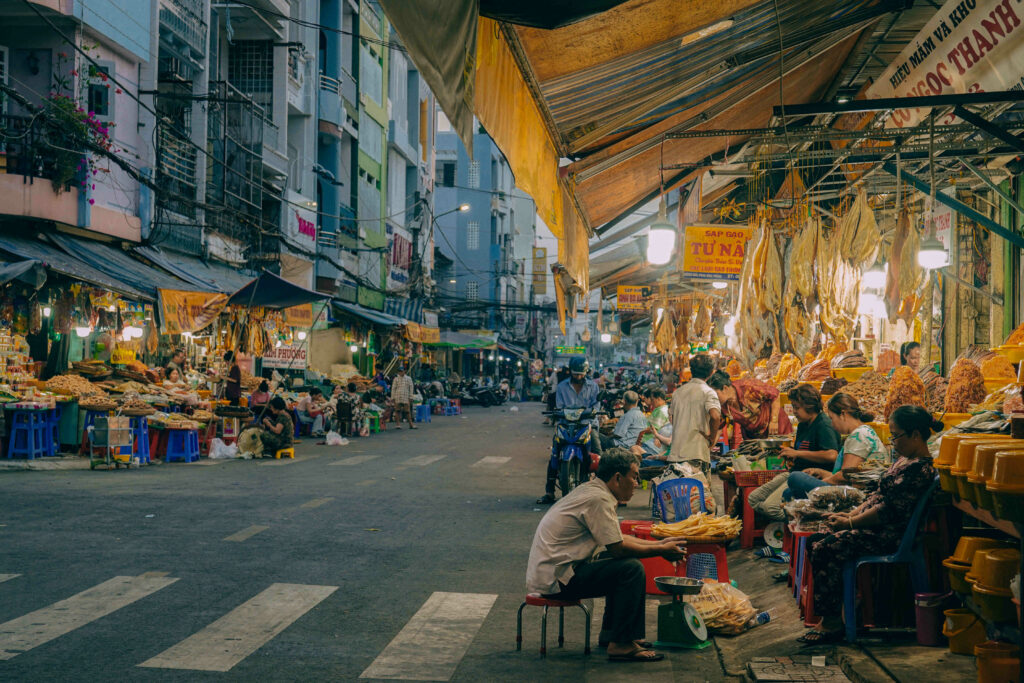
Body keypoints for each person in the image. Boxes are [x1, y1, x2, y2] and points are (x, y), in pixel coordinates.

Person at [526, 448, 687, 662]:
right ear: (617, 478)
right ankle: (620, 643)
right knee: (630, 569)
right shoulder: (598, 499)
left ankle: (613, 634)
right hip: (557, 580)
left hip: (559, 572)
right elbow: (618, 548)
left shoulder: (595, 491)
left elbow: (616, 538)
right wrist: (660, 550)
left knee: (623, 564)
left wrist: (660, 544)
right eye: (634, 477)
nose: (637, 483)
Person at [799, 405, 938, 644]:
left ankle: (832, 622)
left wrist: (850, 522)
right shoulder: (904, 461)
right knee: (816, 539)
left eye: (896, 436)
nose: (893, 442)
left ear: (916, 435)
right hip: (875, 526)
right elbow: (877, 497)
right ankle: (842, 608)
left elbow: (887, 512)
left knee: (826, 547)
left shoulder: (920, 470)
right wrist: (850, 515)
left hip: (890, 535)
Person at [785, 393, 888, 500]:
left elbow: (845, 477)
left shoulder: (859, 435)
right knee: (789, 492)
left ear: (843, 414)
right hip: (852, 488)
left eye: (832, 418)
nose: (832, 424)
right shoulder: (862, 432)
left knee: (795, 477)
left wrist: (821, 482)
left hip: (858, 494)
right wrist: (820, 472)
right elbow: (847, 474)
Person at [537, 357, 602, 505]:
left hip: (587, 424)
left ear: (586, 372)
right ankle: (549, 492)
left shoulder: (593, 387)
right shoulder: (562, 387)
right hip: (566, 425)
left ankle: (603, 492)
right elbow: (560, 406)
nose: (578, 377)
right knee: (554, 454)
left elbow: (596, 405)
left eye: (581, 374)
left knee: (599, 455)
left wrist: (592, 412)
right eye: (575, 374)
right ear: (570, 372)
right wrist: (557, 413)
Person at [707, 370, 792, 447]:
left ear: (725, 388)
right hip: (753, 437)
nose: (713, 398)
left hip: (775, 428)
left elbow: (775, 395)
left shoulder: (748, 387)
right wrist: (709, 447)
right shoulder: (722, 405)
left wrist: (774, 421)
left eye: (715, 394)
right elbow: (718, 428)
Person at [668, 353, 722, 475]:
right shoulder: (708, 392)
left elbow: (672, 418)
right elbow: (715, 416)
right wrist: (712, 438)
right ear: (711, 373)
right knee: (698, 492)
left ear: (691, 371)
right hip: (696, 455)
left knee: (679, 492)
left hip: (676, 454)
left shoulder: (678, 393)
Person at [780, 384, 841, 472]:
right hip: (798, 472)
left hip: (816, 477)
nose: (794, 411)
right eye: (793, 407)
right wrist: (792, 456)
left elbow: (831, 455)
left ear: (810, 406)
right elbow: (803, 452)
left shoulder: (824, 425)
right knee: (767, 486)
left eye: (797, 408)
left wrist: (797, 453)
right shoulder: (803, 424)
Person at [633, 388, 673, 467]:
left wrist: (656, 436)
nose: (651, 402)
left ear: (658, 399)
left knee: (635, 460)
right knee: (634, 449)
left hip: (652, 447)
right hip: (654, 447)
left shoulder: (661, 411)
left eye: (652, 399)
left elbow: (668, 443)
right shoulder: (664, 414)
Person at [391, 365, 416, 430]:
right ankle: (398, 424)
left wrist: (411, 397)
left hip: (406, 396)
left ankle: (411, 424)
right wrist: (392, 397)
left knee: (407, 411)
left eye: (401, 371)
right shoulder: (396, 379)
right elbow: (393, 388)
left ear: (404, 371)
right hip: (398, 396)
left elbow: (411, 388)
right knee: (397, 411)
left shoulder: (408, 378)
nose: (400, 373)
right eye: (399, 371)